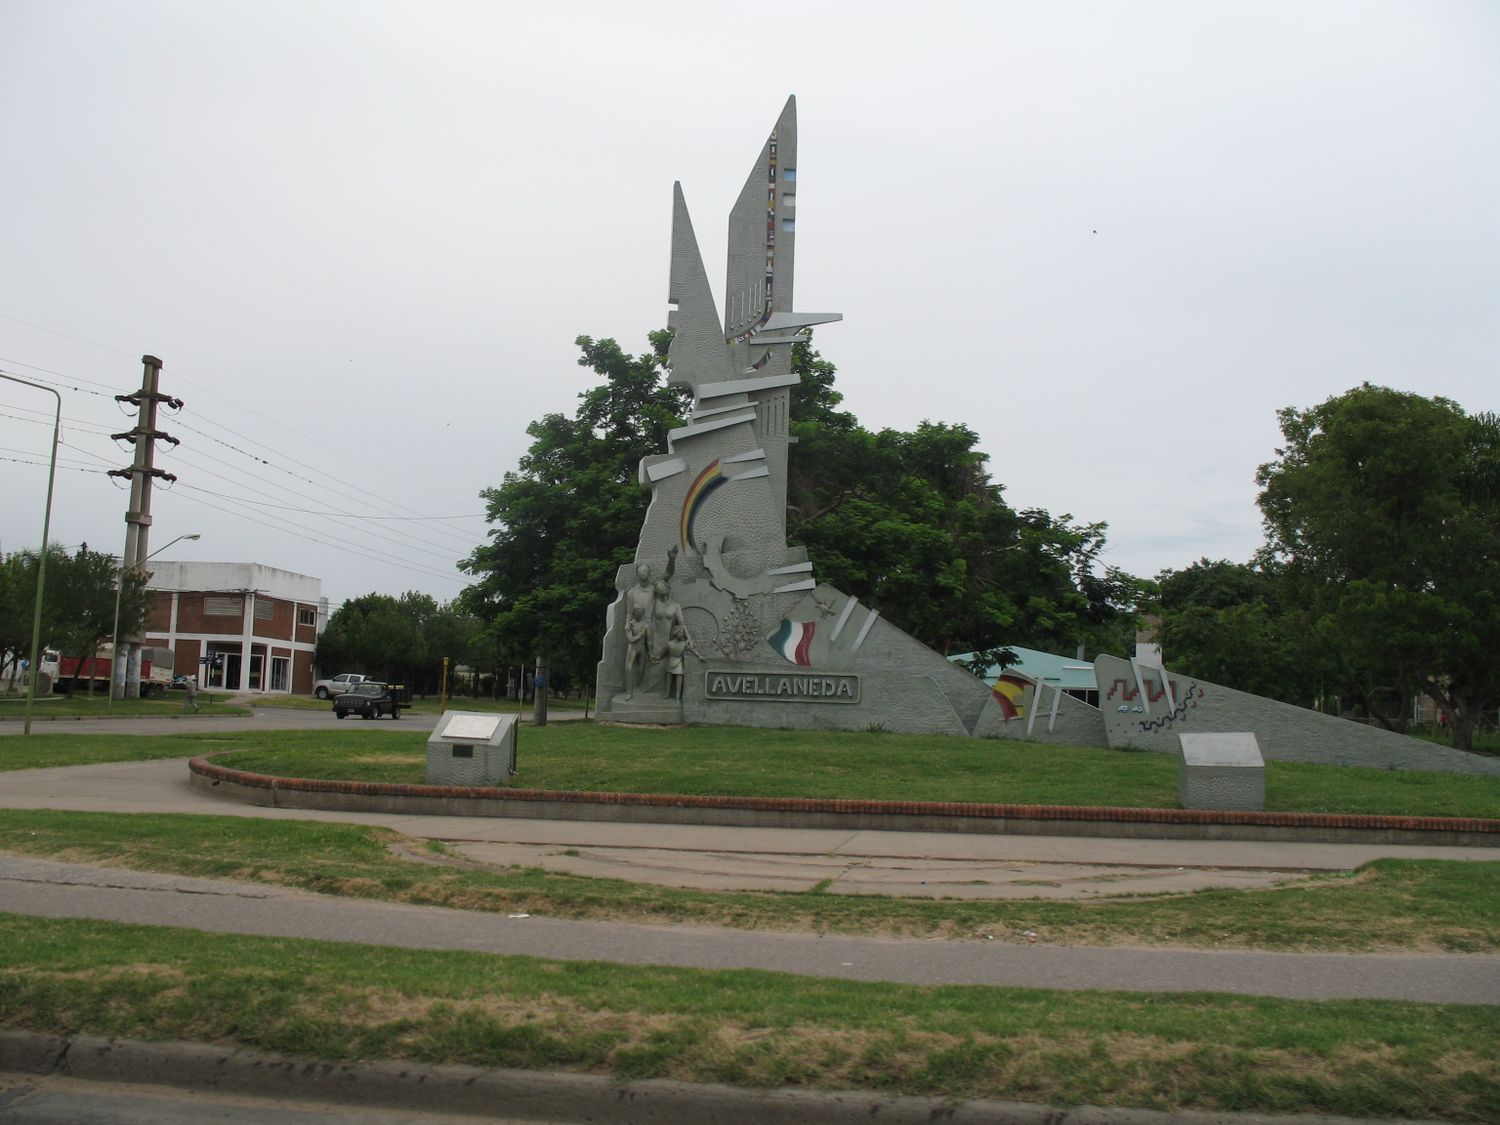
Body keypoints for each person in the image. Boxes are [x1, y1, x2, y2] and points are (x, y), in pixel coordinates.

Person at [664, 623, 698, 702]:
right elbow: (662, 653)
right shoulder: (669, 644)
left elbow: (692, 650)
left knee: (679, 678)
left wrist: (699, 656)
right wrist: (656, 657)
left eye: (683, 633)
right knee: (668, 680)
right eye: (680, 633)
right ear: (676, 633)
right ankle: (667, 694)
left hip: (678, 663)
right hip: (670, 662)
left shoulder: (683, 644)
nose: (681, 634)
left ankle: (677, 696)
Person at [621, 605, 648, 700]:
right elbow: (630, 639)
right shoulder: (629, 625)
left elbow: (648, 641)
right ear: (634, 612)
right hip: (632, 648)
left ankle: (637, 687)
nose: (639, 614)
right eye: (637, 612)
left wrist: (651, 653)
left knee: (641, 669)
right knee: (628, 668)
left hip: (642, 648)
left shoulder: (645, 625)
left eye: (641, 612)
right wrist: (640, 635)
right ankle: (629, 692)